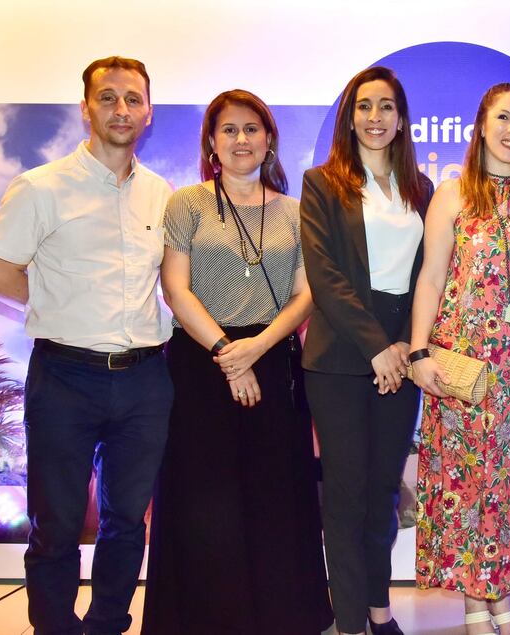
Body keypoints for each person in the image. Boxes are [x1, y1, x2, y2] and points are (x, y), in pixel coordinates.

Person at [0, 56, 172, 634]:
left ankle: (109, 623)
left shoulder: (162, 194)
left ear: (148, 112)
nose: (121, 109)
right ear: (86, 107)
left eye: (132, 99)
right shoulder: (40, 187)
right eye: (108, 97)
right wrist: (52, 305)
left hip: (143, 379)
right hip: (64, 377)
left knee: (125, 521)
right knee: (56, 523)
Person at [140, 89, 333, 634]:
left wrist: (258, 347)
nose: (241, 139)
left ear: (269, 139)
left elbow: (305, 294)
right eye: (229, 130)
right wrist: (229, 353)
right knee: (206, 499)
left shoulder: (294, 211)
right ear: (211, 141)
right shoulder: (187, 204)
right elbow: (176, 289)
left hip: (272, 359)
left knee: (276, 494)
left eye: (252, 129)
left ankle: (280, 616)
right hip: (202, 363)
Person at [410, 83, 510, 635]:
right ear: (481, 123)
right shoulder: (452, 194)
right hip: (466, 366)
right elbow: (430, 278)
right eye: (503, 117)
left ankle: (500, 594)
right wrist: (418, 351)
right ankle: (476, 600)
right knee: (469, 482)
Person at [300, 66, 433, 635]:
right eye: (363, 106)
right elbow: (325, 277)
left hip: (401, 355)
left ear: (401, 118)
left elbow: (431, 275)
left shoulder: (421, 189)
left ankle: (381, 613)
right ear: (349, 116)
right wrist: (378, 347)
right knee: (348, 494)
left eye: (385, 106)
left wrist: (407, 346)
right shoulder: (321, 183)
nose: (374, 117)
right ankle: (350, 621)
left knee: (383, 493)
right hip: (339, 361)